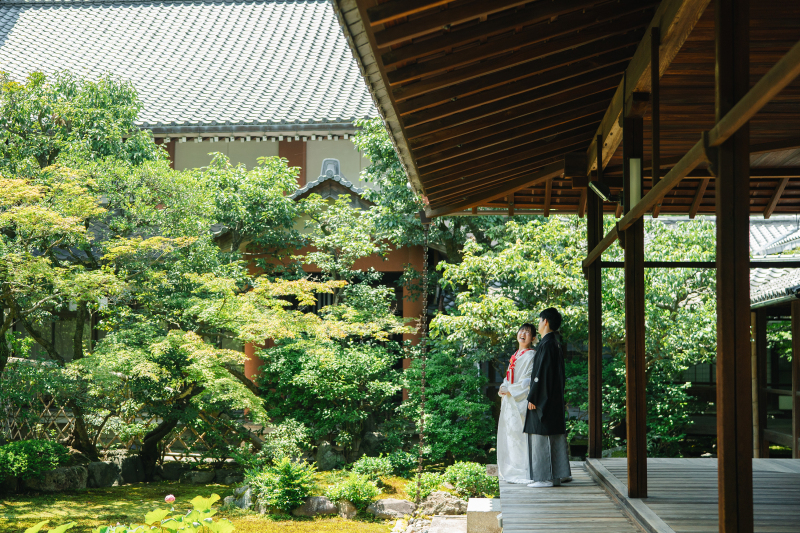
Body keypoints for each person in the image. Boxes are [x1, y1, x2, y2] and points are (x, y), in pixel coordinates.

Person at [524, 307, 571, 488]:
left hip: (544, 399)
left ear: (545, 322)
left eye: (540, 319)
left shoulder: (548, 344)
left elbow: (541, 375)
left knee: (541, 436)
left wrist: (534, 397)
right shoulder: (553, 343)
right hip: (552, 398)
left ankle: (544, 478)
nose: (538, 323)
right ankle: (556, 476)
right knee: (552, 436)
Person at [496, 323, 537, 484]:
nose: (523, 334)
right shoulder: (517, 354)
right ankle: (513, 467)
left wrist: (510, 389)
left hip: (519, 400)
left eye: (528, 332)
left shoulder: (531, 355)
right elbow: (509, 377)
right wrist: (504, 387)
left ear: (533, 338)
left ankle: (523, 470)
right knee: (510, 435)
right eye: (522, 330)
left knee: (520, 436)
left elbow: (527, 381)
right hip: (510, 399)